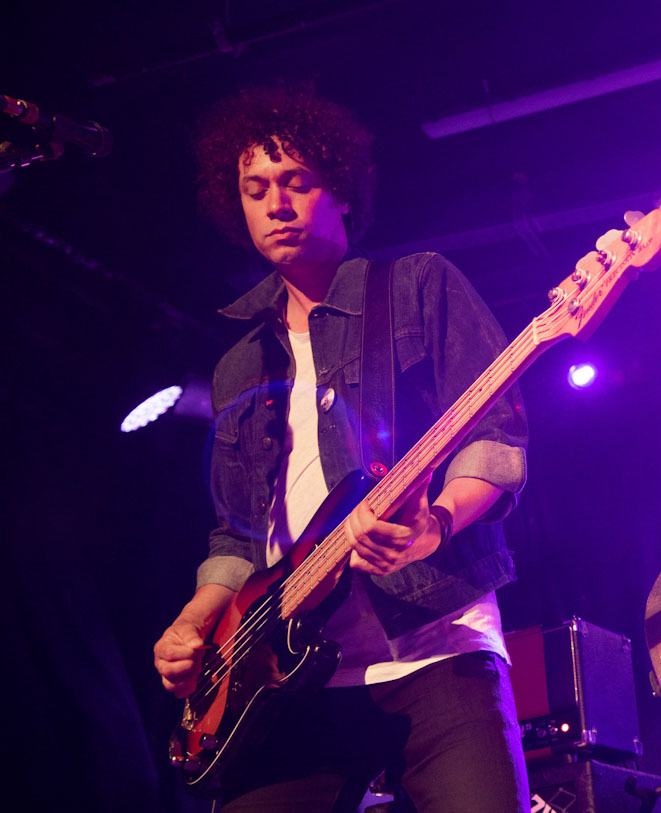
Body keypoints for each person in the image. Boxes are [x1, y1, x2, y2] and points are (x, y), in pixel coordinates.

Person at [151, 86, 531, 812]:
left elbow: (496, 437)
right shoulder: (240, 361)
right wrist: (195, 620)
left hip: (435, 645)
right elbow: (238, 531)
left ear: (343, 192)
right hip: (289, 679)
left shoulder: (418, 285)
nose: (277, 204)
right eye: (256, 189)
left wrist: (439, 521)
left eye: (297, 182)